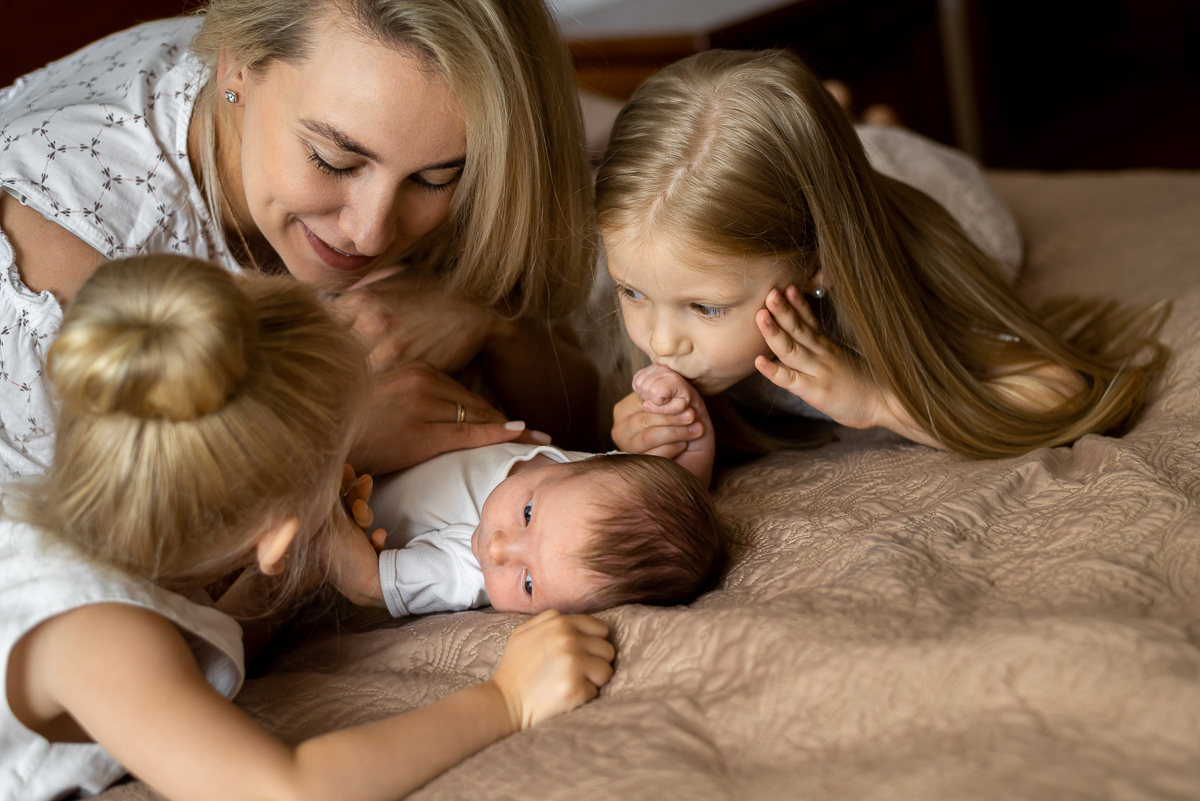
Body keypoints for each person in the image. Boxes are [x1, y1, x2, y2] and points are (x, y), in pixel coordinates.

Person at [0, 255, 614, 801]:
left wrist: (289, 576)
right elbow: (286, 787)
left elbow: (194, 654)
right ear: (275, 536)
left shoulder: (68, 531)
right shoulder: (97, 634)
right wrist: (506, 699)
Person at [0, 0, 599, 483]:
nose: (369, 233)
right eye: (332, 160)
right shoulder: (56, 261)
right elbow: (95, 541)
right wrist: (328, 439)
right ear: (235, 69)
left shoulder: (425, 116)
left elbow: (587, 419)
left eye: (433, 179)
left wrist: (485, 319)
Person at [594, 49, 1167, 473]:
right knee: (836, 148)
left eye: (705, 308)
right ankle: (845, 117)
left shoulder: (918, 271)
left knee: (886, 149)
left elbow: (1061, 389)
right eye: (632, 292)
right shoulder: (670, 268)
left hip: (920, 181)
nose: (661, 341)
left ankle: (873, 126)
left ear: (816, 266)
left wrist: (878, 400)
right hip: (828, 190)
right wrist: (657, 441)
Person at [330, 442, 724, 617]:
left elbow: (369, 582)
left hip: (338, 490)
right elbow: (653, 489)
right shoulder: (594, 483)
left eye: (530, 584)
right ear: (592, 459)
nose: (498, 549)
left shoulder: (468, 574)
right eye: (528, 514)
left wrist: (325, 510)